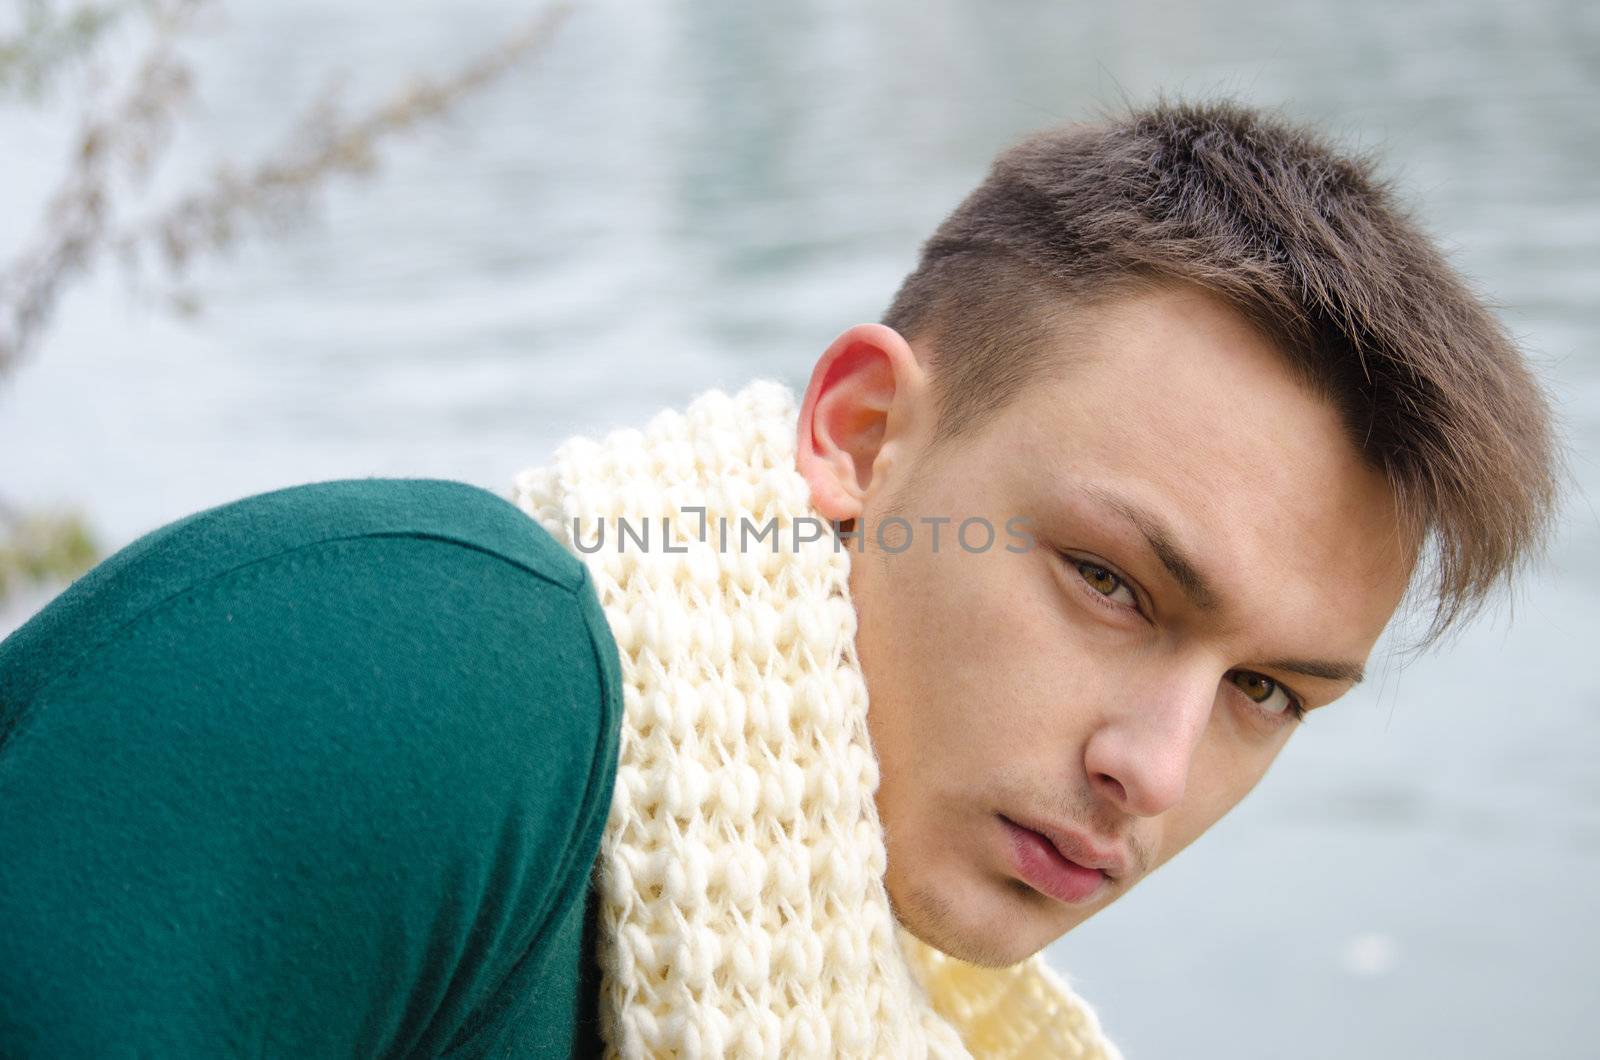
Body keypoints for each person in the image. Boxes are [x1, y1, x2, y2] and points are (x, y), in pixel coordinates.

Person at [0, 99, 1558, 1058]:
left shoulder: (902, 1002)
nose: (1148, 770)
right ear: (861, 434)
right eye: (1111, 582)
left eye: (1266, 692)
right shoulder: (428, 662)